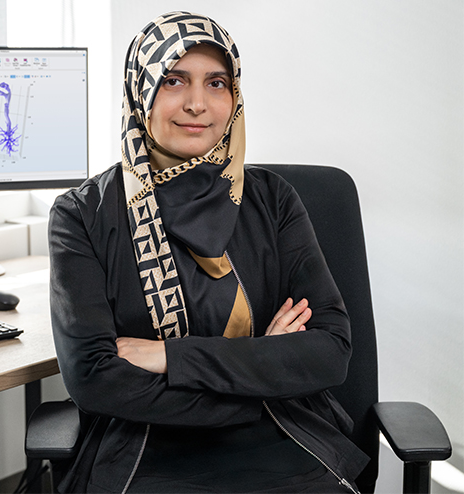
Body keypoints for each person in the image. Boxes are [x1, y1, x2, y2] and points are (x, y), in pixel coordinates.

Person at [47, 11, 370, 493]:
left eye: (216, 82)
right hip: (145, 446)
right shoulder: (83, 214)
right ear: (141, 90)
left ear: (233, 97)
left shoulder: (272, 199)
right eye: (174, 80)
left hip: (282, 439)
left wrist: (168, 357)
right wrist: (262, 371)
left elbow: (330, 352)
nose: (197, 103)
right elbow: (95, 378)